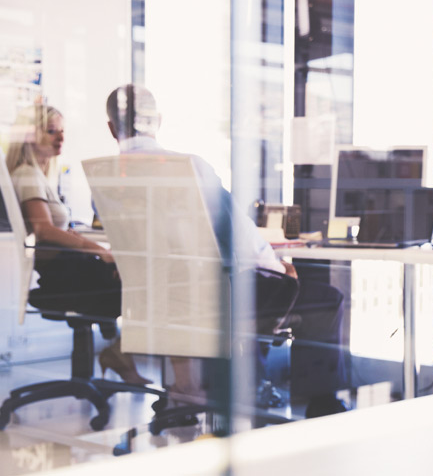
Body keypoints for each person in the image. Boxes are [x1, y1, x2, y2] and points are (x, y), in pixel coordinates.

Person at [105, 84, 347, 414]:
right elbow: (240, 237)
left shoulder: (108, 178)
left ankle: (234, 384)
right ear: (157, 120)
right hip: (217, 300)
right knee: (324, 298)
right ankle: (320, 408)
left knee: (259, 288)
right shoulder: (189, 167)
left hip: (165, 298)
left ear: (110, 128)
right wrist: (280, 267)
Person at [5, 104, 152, 384]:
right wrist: (101, 251)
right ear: (30, 137)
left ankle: (121, 353)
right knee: (140, 280)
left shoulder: (38, 176)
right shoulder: (27, 174)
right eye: (51, 131)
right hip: (62, 277)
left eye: (62, 131)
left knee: (131, 275)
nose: (60, 137)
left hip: (65, 271)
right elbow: (43, 230)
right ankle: (120, 353)